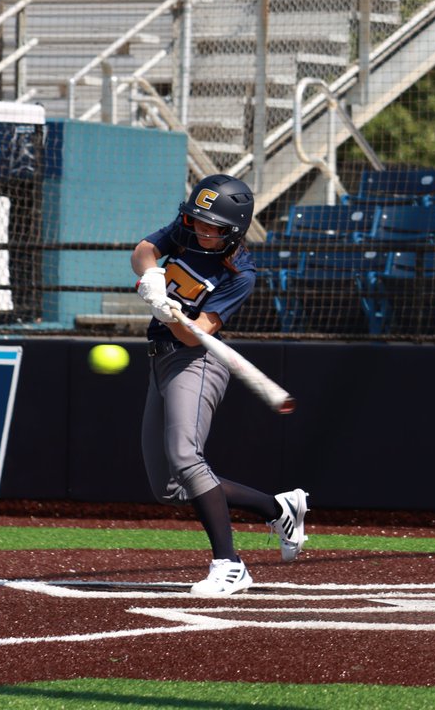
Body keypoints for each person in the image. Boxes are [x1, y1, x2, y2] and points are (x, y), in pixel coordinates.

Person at [131, 173, 308, 597]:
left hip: (197, 360)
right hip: (160, 360)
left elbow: (197, 334)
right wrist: (152, 278)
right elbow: (144, 251)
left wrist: (174, 314)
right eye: (199, 222)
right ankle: (278, 507)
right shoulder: (187, 231)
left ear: (234, 230)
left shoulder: (240, 275)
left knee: (187, 458)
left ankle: (229, 565)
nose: (204, 231)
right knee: (170, 488)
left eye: (214, 227)